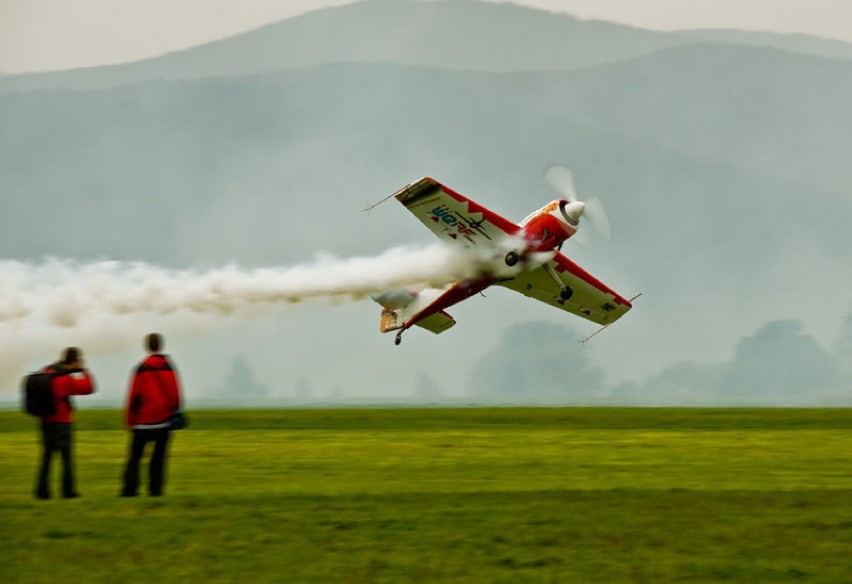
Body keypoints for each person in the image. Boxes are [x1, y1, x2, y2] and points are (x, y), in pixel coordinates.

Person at [121, 333, 184, 497]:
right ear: (161, 346)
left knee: (135, 458)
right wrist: (174, 412)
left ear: (147, 346)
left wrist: (130, 420)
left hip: (142, 421)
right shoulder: (169, 367)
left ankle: (130, 490)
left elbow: (133, 396)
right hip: (163, 421)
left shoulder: (141, 368)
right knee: (158, 459)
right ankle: (155, 490)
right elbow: (175, 394)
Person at [34, 347, 96, 500]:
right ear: (74, 362)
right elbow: (89, 387)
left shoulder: (48, 372)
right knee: (66, 459)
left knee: (47, 458)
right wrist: (84, 370)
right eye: (78, 361)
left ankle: (42, 492)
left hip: (45, 421)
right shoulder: (65, 380)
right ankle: (67, 492)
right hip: (62, 422)